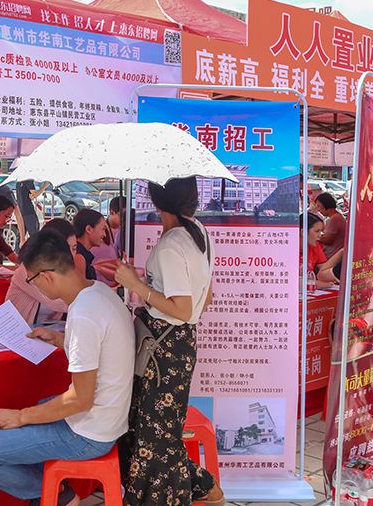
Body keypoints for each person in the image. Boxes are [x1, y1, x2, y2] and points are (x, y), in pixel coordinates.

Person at [0, 232, 135, 506]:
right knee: (42, 404)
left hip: (87, 434)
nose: (36, 287)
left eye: (32, 280)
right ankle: (53, 491)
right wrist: (61, 340)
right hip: (108, 420)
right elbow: (103, 350)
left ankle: (56, 496)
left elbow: (80, 398)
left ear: (47, 277)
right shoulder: (99, 294)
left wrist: (21, 417)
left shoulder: (84, 313)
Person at [113, 177, 224, 506]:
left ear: (156, 200)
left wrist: (136, 284)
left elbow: (183, 307)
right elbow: (205, 300)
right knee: (157, 430)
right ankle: (202, 488)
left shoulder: (171, 245)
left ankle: (191, 490)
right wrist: (139, 281)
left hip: (163, 350)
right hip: (179, 344)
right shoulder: (198, 232)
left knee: (154, 434)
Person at [5, 219, 75, 325]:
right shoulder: (27, 271)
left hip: (46, 332)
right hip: (16, 333)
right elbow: (59, 303)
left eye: (74, 248)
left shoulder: (62, 270)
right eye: (66, 249)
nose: (71, 255)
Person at [313, 192, 347, 278]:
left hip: (331, 257)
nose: (318, 209)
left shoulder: (335, 219)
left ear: (325, 205)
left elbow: (328, 240)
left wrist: (313, 236)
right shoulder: (336, 217)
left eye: (319, 206)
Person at [304, 213, 342, 286]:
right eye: (317, 231)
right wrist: (316, 283)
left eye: (321, 231)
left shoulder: (315, 246)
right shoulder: (290, 250)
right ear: (303, 232)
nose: (321, 234)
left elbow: (324, 269)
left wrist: (341, 252)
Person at [73, 209, 107, 281]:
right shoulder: (79, 258)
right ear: (89, 229)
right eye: (103, 229)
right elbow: (82, 291)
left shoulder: (83, 254)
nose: (105, 234)